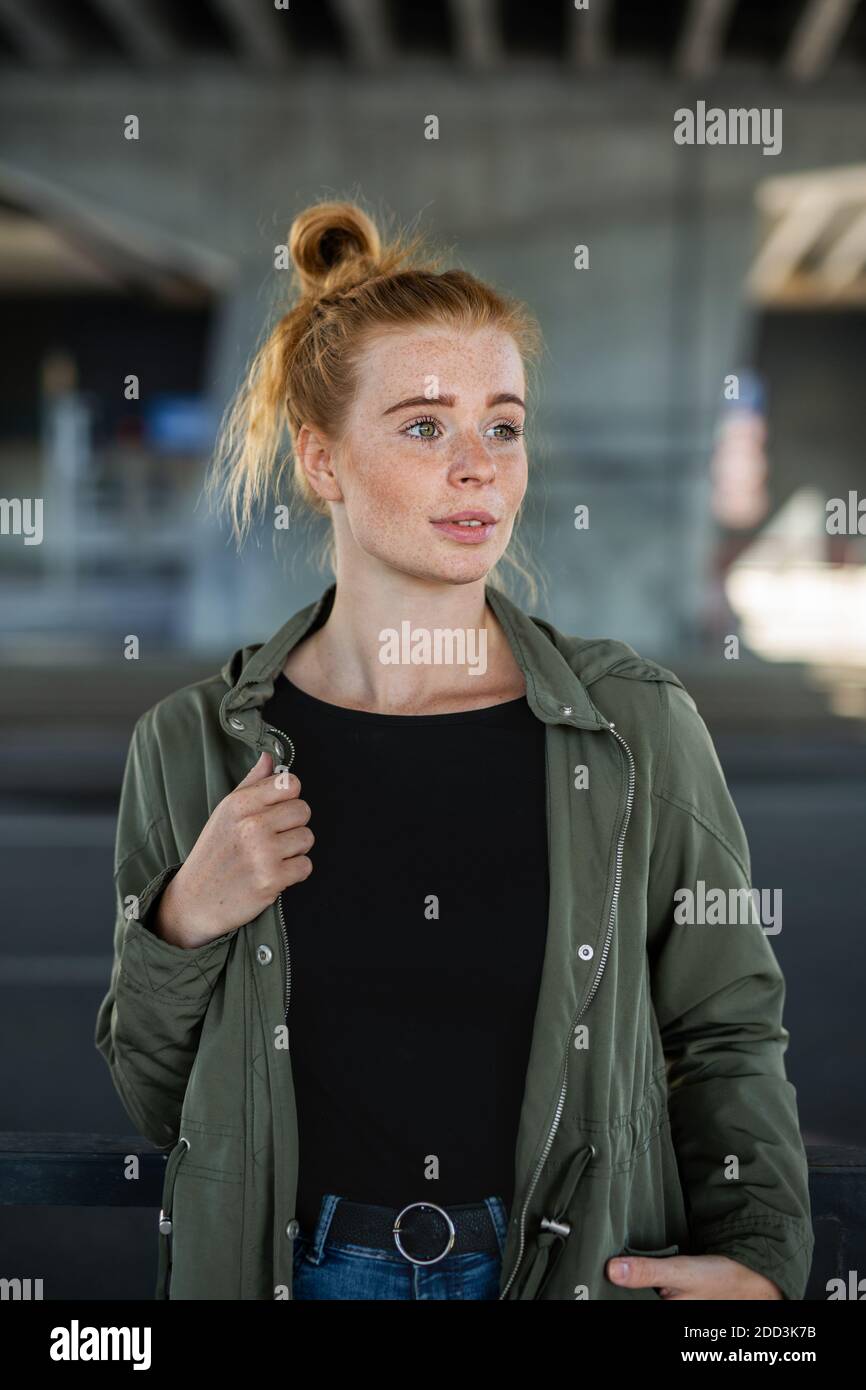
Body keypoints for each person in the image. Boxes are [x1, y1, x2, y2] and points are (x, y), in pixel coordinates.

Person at [95, 199, 814, 1301]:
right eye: (425, 426)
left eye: (503, 423)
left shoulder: (636, 725)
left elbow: (723, 1028)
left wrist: (762, 1262)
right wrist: (187, 918)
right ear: (322, 461)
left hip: (571, 1273)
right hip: (295, 1274)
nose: (478, 465)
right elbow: (160, 1100)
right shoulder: (192, 745)